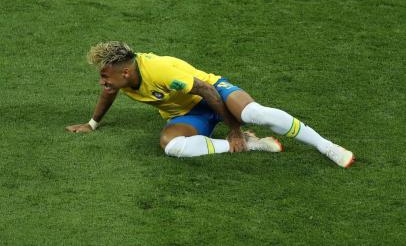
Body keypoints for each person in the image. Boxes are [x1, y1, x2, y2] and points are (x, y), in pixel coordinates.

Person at [66, 41, 355, 168]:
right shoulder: (120, 80)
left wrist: (235, 129)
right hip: (189, 113)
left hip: (213, 91)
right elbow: (108, 93)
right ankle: (252, 145)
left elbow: (205, 90)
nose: (102, 81)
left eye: (105, 75)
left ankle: (326, 146)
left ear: (125, 72)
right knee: (172, 146)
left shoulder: (161, 70)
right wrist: (92, 124)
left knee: (255, 112)